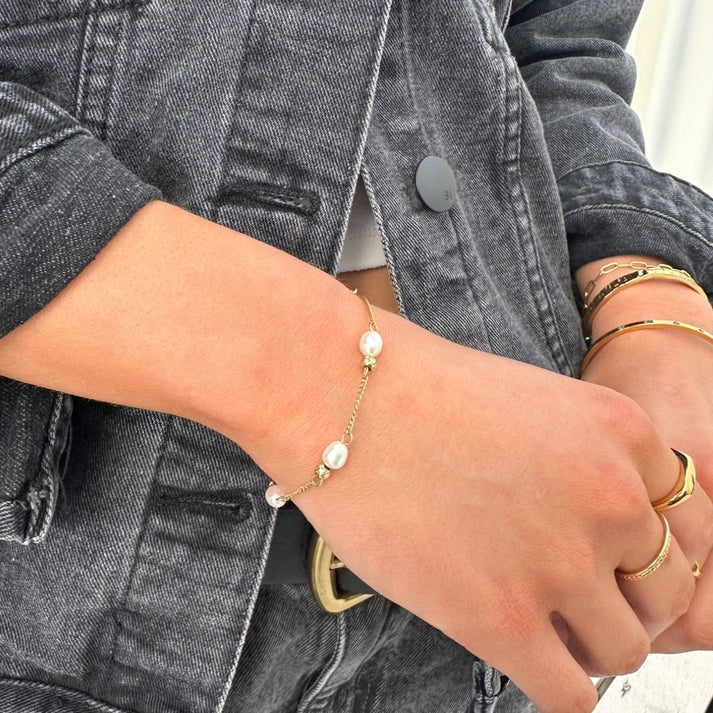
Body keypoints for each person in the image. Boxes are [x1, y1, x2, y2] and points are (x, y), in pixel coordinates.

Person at [0, 1, 711, 712]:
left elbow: (558, 39)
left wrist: (644, 297)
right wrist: (333, 392)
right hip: (58, 602)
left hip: (487, 599)